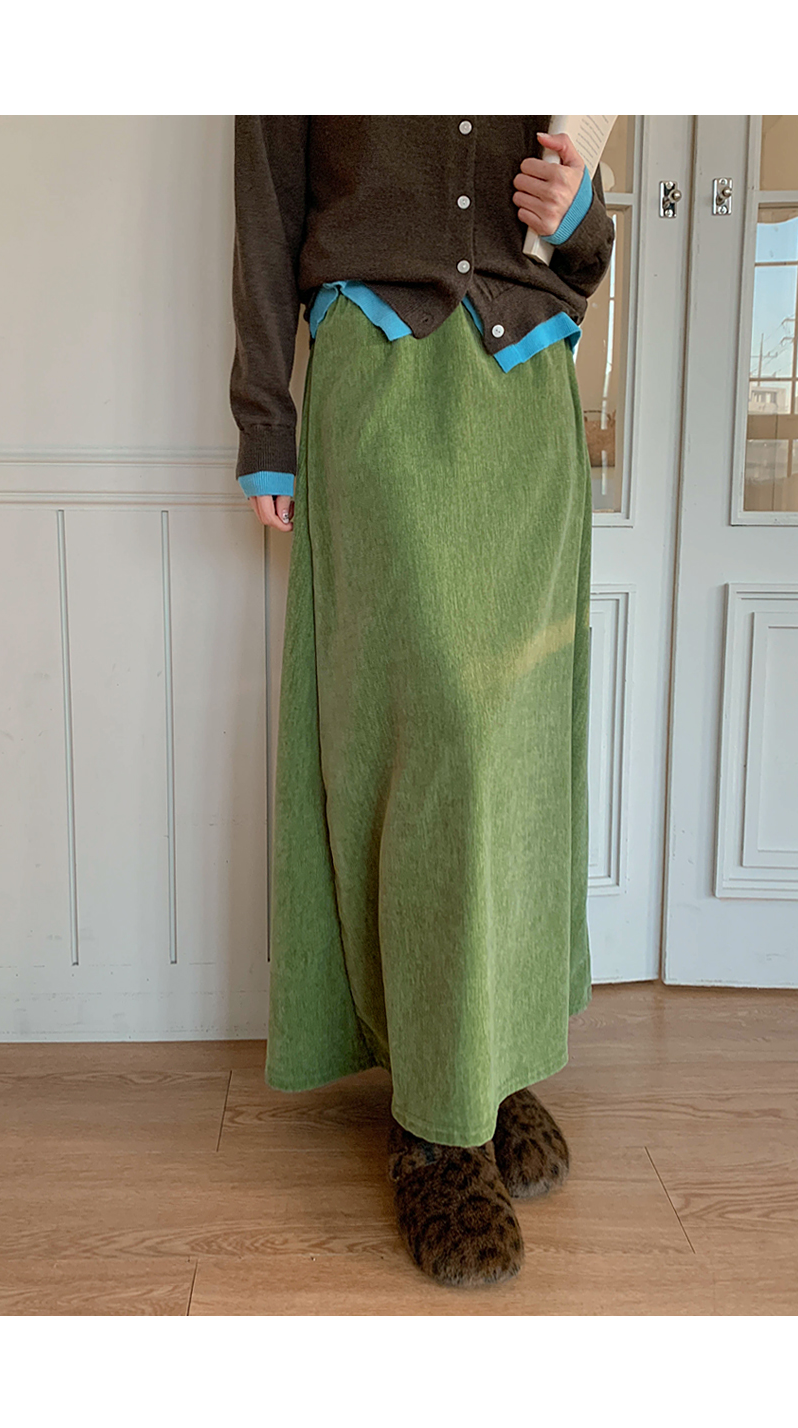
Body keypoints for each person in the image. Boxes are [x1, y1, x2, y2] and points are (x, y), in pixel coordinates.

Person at [230, 116, 615, 1289]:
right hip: (380, 374)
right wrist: (265, 418)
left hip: (528, 389)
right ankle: (435, 1125)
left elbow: (585, 251)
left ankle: (488, 1064)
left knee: (515, 747)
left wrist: (580, 212)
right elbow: (265, 212)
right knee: (425, 742)